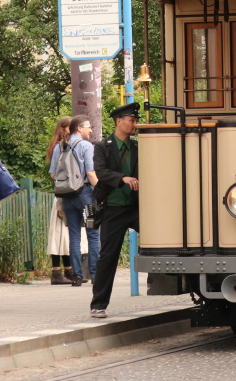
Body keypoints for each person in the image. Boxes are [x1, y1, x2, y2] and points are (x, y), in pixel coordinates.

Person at [90, 102, 140, 319]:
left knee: (160, 242)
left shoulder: (138, 146)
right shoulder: (103, 146)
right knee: (108, 256)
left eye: (136, 120)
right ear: (119, 121)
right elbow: (100, 172)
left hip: (136, 207)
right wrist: (122, 179)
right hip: (113, 209)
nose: (134, 124)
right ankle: (98, 304)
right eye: (131, 120)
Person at [58, 117, 100, 285]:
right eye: (89, 127)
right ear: (80, 128)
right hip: (86, 196)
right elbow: (90, 172)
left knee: (74, 236)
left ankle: (76, 276)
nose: (90, 131)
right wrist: (101, 192)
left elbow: (54, 174)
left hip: (67, 196)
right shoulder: (86, 146)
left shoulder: (60, 147)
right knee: (93, 234)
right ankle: (95, 275)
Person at [44, 117, 84, 284]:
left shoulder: (65, 145)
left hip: (65, 193)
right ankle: (56, 271)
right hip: (63, 194)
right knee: (59, 233)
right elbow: (53, 173)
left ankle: (68, 270)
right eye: (69, 128)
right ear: (63, 128)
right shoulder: (59, 146)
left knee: (66, 235)